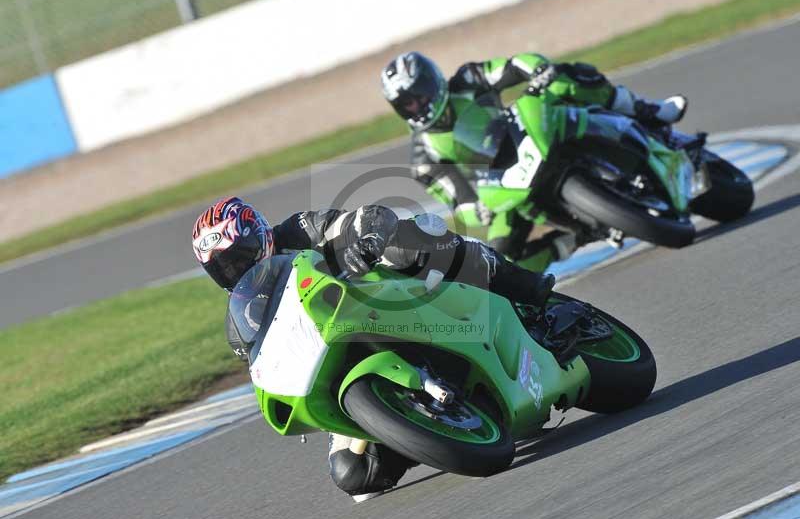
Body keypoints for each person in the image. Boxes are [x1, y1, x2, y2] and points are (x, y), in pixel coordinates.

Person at [191, 196, 556, 500]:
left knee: (410, 240)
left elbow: (371, 217)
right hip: (342, 356)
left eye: (240, 255)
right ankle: (432, 430)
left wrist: (366, 242)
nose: (236, 269)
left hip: (390, 300)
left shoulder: (301, 229)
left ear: (260, 234)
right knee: (353, 475)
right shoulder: (246, 311)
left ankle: (519, 284)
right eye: (222, 268)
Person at [381, 51, 688, 270]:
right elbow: (456, 198)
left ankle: (647, 110)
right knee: (500, 262)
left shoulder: (466, 80)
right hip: (500, 182)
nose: (416, 105)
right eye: (406, 103)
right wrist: (477, 210)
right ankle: (570, 240)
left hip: (522, 131)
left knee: (566, 79)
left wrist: (536, 70)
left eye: (418, 94)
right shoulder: (424, 158)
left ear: (432, 81)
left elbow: (511, 65)